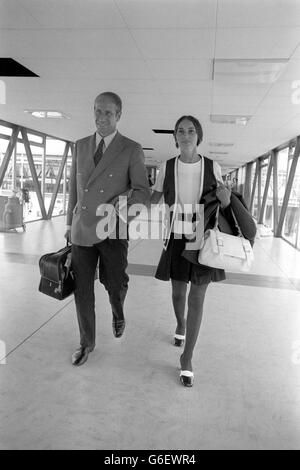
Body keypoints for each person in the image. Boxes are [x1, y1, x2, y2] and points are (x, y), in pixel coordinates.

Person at [151, 115, 250, 387]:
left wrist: (227, 198)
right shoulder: (166, 167)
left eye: (191, 131)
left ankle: (187, 358)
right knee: (177, 292)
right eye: (180, 131)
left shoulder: (212, 166)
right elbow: (153, 198)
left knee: (197, 297)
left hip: (203, 237)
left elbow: (224, 198)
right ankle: (180, 325)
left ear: (199, 136)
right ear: (175, 137)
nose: (185, 135)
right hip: (175, 236)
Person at [65, 92, 150, 366]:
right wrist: (69, 224)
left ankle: (118, 311)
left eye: (108, 113)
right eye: (97, 111)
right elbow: (73, 191)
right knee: (82, 290)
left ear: (119, 115)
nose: (101, 117)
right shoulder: (79, 145)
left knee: (115, 283)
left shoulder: (131, 148)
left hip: (113, 228)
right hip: (83, 229)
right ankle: (86, 343)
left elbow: (142, 192)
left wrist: (120, 206)